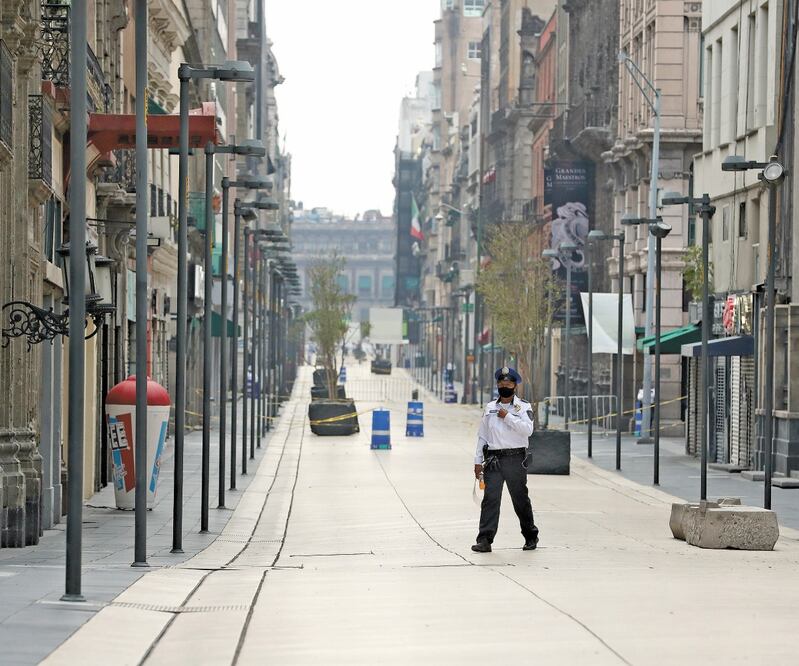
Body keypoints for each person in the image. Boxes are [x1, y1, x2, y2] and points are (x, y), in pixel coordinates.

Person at [472, 366, 539, 553]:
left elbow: (528, 430)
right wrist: (478, 461)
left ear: (514, 386)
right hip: (494, 459)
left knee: (520, 499)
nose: (504, 385)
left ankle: (530, 536)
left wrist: (508, 417)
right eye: (501, 383)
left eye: (508, 383)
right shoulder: (490, 408)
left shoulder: (523, 407)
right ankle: (484, 540)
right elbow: (482, 436)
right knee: (490, 500)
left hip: (515, 458)